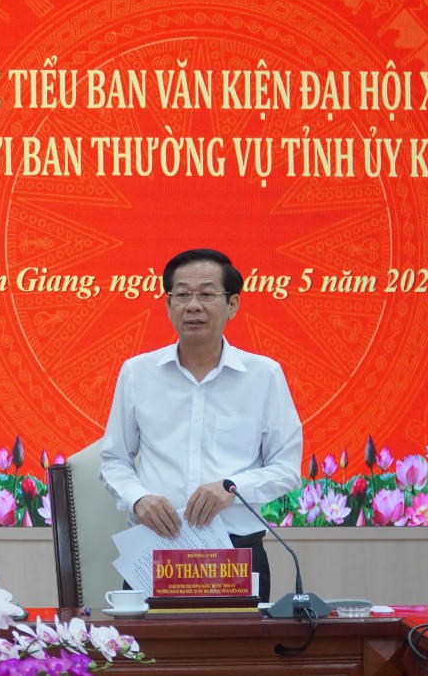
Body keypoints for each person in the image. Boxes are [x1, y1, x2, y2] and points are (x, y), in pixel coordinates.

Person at [98, 248, 302, 601]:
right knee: (151, 640)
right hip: (157, 549)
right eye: (182, 295)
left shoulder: (264, 375)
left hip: (236, 552)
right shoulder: (137, 373)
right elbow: (114, 460)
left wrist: (232, 487)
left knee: (233, 641)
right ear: (168, 304)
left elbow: (287, 469)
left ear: (232, 304)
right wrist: (138, 498)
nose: (193, 306)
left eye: (207, 294)